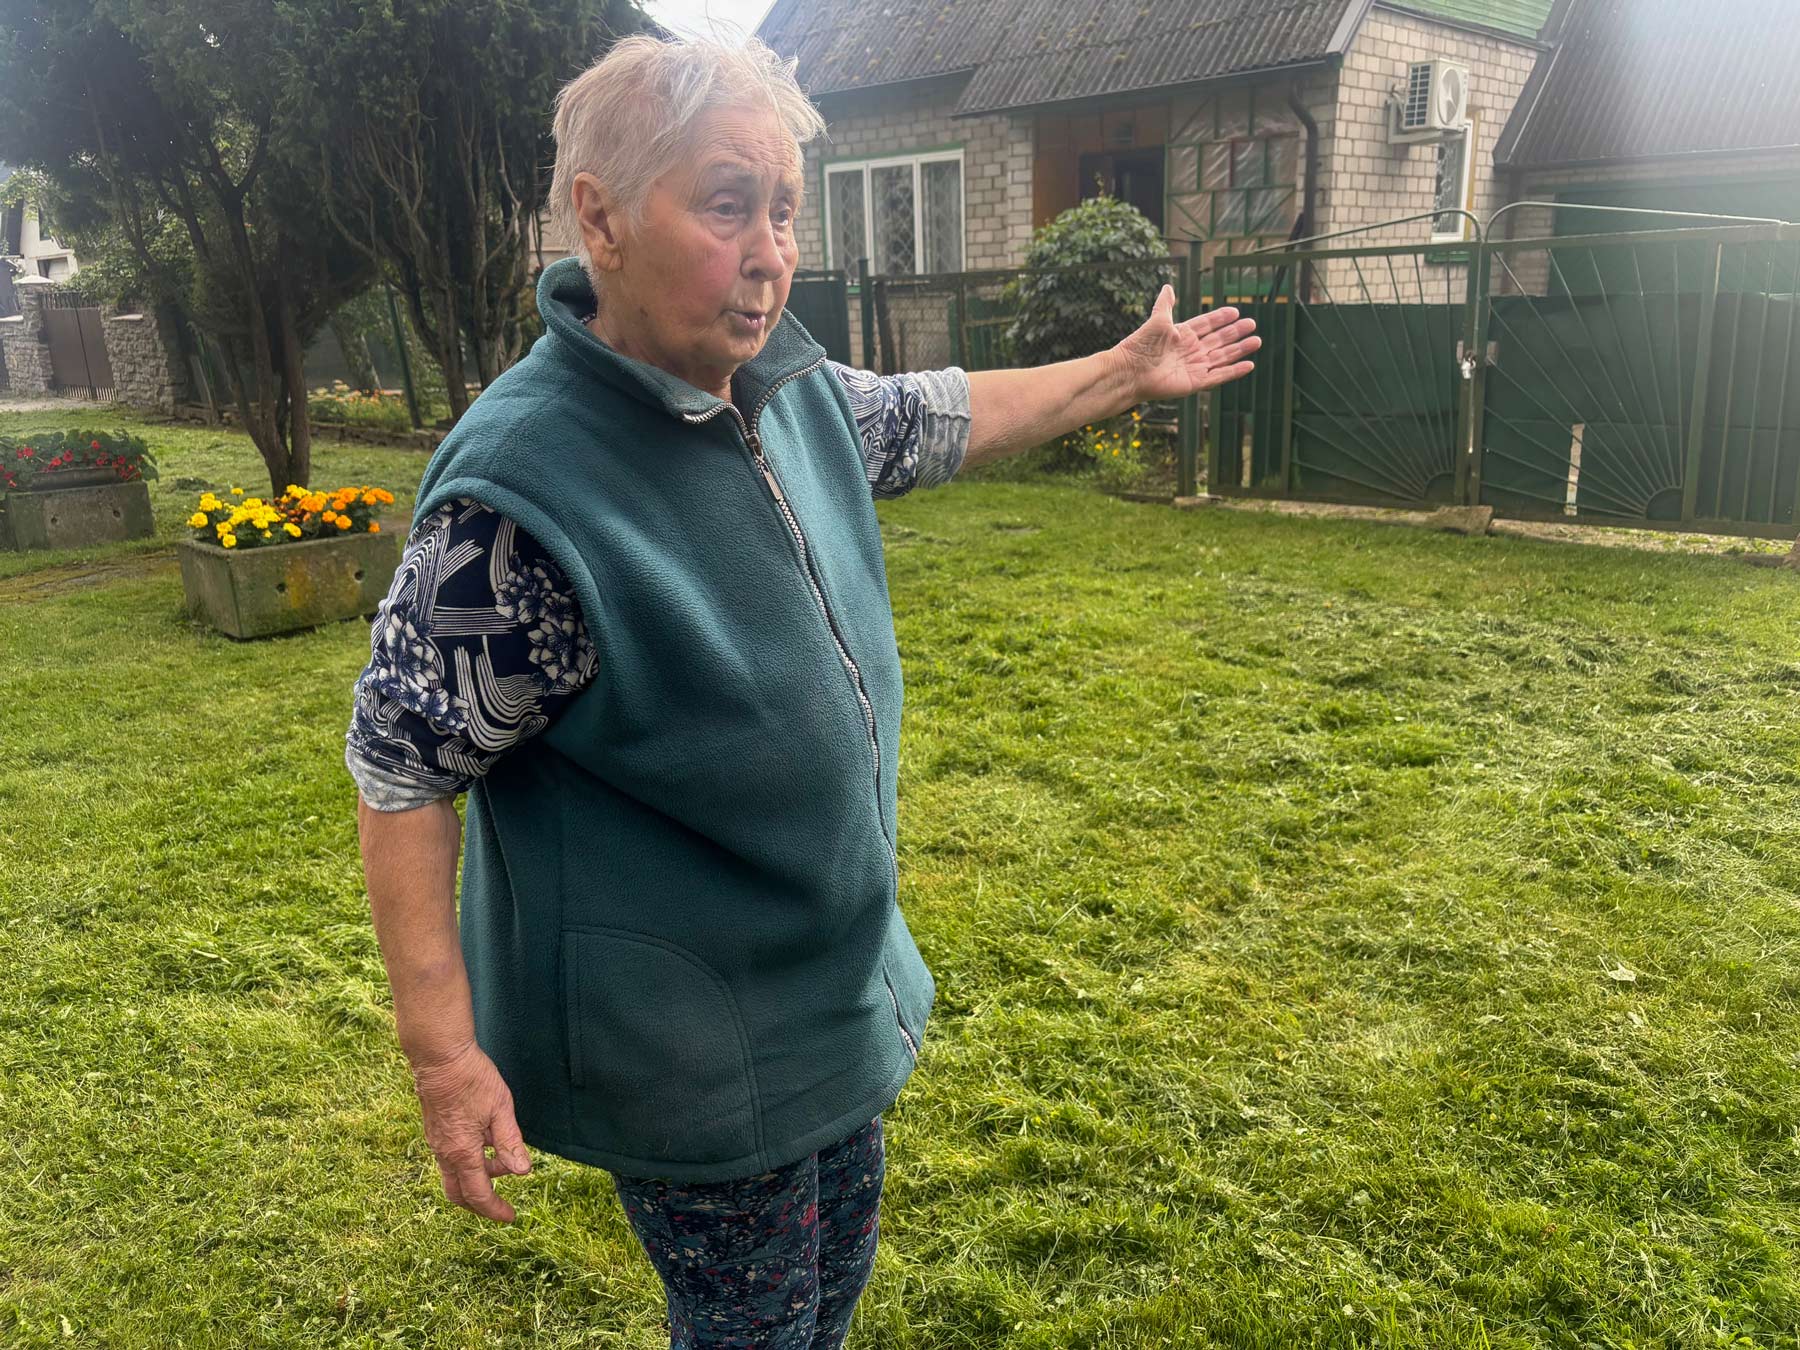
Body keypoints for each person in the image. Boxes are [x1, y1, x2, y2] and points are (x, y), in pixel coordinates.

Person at [346, 32, 1258, 1348]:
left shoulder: (786, 390)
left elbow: (940, 413)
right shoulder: (523, 500)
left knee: (821, 1301)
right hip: (694, 1048)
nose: (771, 249)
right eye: (728, 205)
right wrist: (444, 1054)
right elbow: (402, 773)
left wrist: (1125, 371)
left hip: (823, 996)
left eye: (784, 208)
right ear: (600, 218)